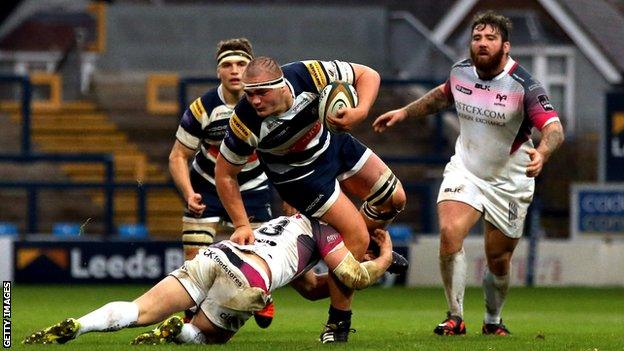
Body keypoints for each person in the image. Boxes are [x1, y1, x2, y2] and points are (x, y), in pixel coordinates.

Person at [373, 11, 564, 336]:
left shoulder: (524, 85)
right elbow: (443, 95)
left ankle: (492, 320)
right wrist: (405, 112)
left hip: (510, 179)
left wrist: (542, 153)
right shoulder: (460, 72)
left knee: (498, 259)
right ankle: (455, 317)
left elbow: (554, 128)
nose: (482, 43)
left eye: (490, 38)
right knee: (449, 234)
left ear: (506, 46)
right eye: (477, 38)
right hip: (466, 168)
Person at [215, 57, 408, 342]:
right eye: (249, 93)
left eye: (261, 92)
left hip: (333, 143)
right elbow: (225, 174)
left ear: (282, 86)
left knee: (395, 199)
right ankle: (337, 325)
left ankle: (362, 249)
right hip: (300, 177)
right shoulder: (245, 122)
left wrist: (361, 111)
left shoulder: (309, 74)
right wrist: (242, 225)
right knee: (353, 236)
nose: (254, 100)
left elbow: (368, 73)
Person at [22, 214, 393, 345]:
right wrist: (386, 257)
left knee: (139, 309)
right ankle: (181, 332)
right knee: (212, 337)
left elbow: (313, 288)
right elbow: (352, 275)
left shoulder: (289, 227)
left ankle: (80, 325)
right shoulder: (329, 229)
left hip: (217, 253)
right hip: (249, 276)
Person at [168, 38, 274, 326]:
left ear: (251, 69)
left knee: (259, 254)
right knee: (194, 258)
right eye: (227, 65)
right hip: (206, 186)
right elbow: (178, 155)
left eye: (241, 64)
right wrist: (188, 192)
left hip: (250, 187)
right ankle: (192, 314)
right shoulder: (203, 108)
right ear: (218, 72)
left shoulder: (266, 104)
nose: (234, 70)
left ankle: (262, 297)